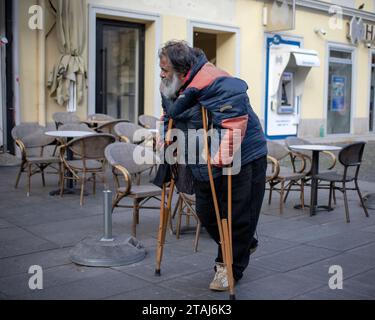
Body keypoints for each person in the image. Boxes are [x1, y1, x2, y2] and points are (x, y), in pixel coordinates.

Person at [158, 40, 267, 291]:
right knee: (207, 212)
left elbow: (235, 124)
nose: (161, 74)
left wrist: (217, 162)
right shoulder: (171, 85)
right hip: (203, 160)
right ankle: (242, 242)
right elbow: (169, 116)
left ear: (183, 70)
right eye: (160, 69)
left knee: (236, 216)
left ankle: (228, 269)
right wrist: (166, 141)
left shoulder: (217, 82)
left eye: (166, 70)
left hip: (244, 155)